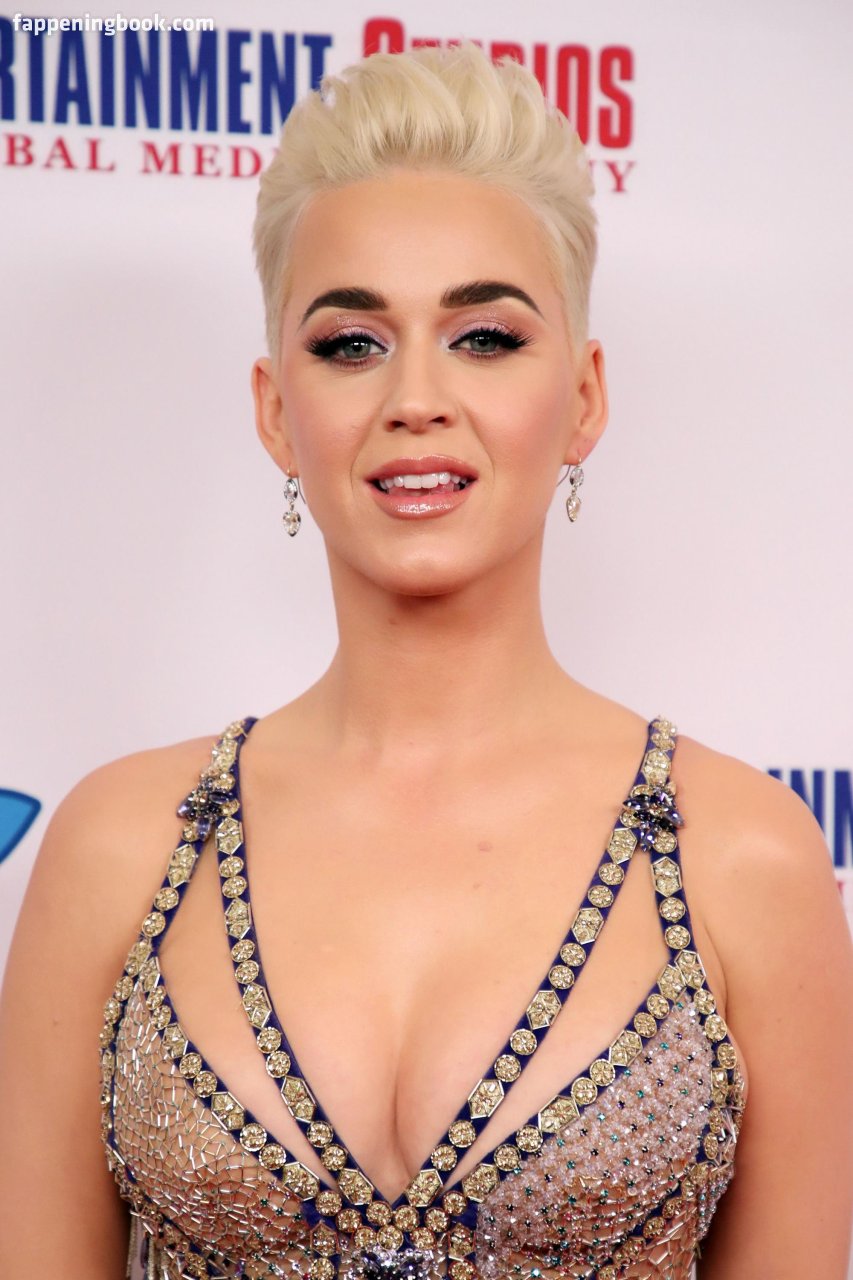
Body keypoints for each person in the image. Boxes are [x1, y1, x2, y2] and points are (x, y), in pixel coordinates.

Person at [0, 40, 850, 1280]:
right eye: (350, 343)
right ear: (275, 410)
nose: (414, 397)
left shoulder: (744, 859)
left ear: (584, 397)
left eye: (485, 337)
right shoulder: (118, 848)